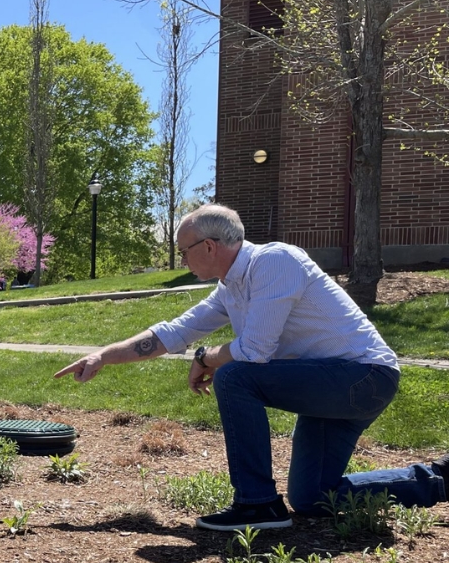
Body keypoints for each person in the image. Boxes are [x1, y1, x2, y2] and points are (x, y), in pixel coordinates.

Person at [54, 204, 447, 531]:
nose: (181, 258)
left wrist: (206, 359)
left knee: (236, 376)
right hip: (330, 386)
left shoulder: (274, 261)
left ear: (208, 246)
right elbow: (173, 333)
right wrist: (103, 355)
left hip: (363, 378)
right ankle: (440, 480)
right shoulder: (231, 286)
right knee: (312, 498)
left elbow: (255, 351)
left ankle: (257, 504)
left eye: (183, 250)